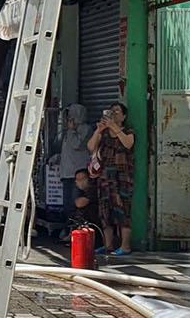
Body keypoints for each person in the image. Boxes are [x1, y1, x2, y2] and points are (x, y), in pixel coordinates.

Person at [88, 102, 137, 255]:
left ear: (124, 116)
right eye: (111, 111)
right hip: (104, 177)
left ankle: (125, 246)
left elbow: (128, 144)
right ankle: (108, 245)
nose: (114, 114)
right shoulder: (104, 133)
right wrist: (99, 130)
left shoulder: (128, 131)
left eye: (117, 112)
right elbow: (90, 147)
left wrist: (114, 127)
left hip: (122, 177)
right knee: (105, 211)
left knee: (123, 210)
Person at [58, 104, 93, 229]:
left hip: (77, 173)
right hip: (66, 172)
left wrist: (72, 130)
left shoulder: (85, 129)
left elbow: (77, 145)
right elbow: (67, 150)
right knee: (67, 204)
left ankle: (76, 228)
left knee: (76, 203)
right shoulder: (68, 131)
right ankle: (69, 228)